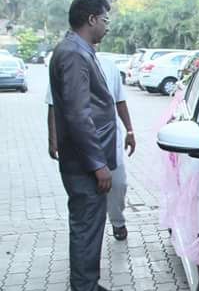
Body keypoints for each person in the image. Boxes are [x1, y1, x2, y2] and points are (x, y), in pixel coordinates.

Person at [49, 0, 125, 291]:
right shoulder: (73, 54)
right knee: (85, 228)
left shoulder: (79, 50)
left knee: (91, 227)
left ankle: (88, 286)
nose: (108, 26)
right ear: (92, 19)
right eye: (106, 19)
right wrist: (98, 164)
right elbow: (79, 115)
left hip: (87, 159)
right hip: (85, 163)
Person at [47, 53, 136, 241]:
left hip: (110, 142)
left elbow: (120, 101)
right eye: (103, 21)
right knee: (86, 191)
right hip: (78, 143)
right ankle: (88, 236)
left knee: (118, 184)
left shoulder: (109, 66)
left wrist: (129, 131)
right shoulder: (65, 64)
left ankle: (117, 220)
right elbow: (54, 105)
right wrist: (53, 138)